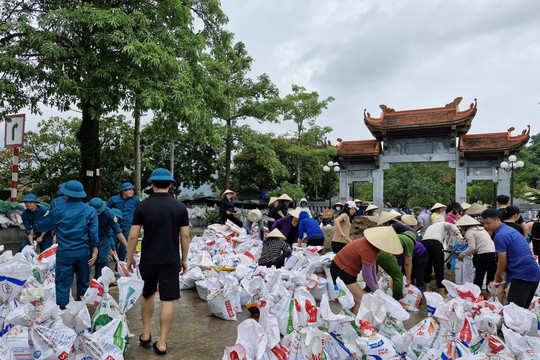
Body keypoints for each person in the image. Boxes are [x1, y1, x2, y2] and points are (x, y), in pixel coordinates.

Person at [126, 168, 190, 355]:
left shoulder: (142, 206)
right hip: (170, 260)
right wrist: (183, 259)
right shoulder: (180, 207)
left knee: (147, 294)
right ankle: (161, 342)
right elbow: (185, 235)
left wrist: (129, 257)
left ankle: (146, 334)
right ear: (170, 185)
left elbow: (133, 236)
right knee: (167, 299)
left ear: (152, 184)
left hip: (149, 259)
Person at [35, 180, 98, 309]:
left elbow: (42, 226)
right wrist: (95, 250)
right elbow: (93, 234)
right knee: (84, 284)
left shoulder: (58, 210)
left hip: (65, 253)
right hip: (84, 253)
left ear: (66, 195)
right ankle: (82, 312)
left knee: (63, 286)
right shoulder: (90, 211)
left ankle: (63, 317)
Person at [330, 226, 403, 314]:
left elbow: (372, 266)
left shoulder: (372, 247)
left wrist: (376, 284)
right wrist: (375, 290)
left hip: (347, 270)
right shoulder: (368, 249)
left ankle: (347, 321)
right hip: (341, 269)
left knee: (354, 300)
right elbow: (367, 275)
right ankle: (354, 325)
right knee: (361, 300)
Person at [481, 209, 540, 308]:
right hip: (531, 273)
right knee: (521, 312)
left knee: (514, 313)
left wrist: (497, 277)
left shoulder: (500, 235)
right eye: (484, 223)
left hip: (523, 275)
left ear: (498, 220)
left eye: (488, 223)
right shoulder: (508, 230)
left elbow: (502, 262)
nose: (486, 226)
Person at [422, 215, 463, 296]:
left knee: (427, 266)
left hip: (424, 244)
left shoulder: (430, 226)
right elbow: (452, 225)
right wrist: (459, 234)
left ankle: (426, 288)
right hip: (436, 244)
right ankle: (441, 292)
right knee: (439, 268)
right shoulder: (443, 223)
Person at [89, 198, 127, 279]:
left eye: (99, 212)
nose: (97, 213)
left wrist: (127, 245)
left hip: (103, 237)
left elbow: (117, 232)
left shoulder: (109, 214)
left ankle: (102, 280)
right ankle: (97, 278)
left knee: (102, 258)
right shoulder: (86, 211)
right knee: (90, 259)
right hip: (89, 235)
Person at [456, 215, 496, 293]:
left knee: (479, 276)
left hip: (483, 254)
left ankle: (476, 294)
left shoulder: (469, 232)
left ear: (464, 226)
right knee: (490, 275)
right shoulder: (481, 229)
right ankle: (490, 294)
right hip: (492, 252)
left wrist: (462, 255)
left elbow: (472, 247)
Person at [376, 230, 415, 300]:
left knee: (374, 275)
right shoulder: (409, 241)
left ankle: (370, 293)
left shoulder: (398, 237)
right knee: (398, 277)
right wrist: (408, 279)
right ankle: (397, 300)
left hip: (375, 251)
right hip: (384, 253)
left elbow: (392, 257)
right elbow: (408, 263)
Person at [107, 182, 140, 261]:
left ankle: (120, 265)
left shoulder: (136, 200)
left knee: (123, 247)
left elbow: (141, 210)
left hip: (128, 227)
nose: (131, 191)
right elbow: (106, 209)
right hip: (115, 226)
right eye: (129, 190)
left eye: (132, 190)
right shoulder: (114, 199)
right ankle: (116, 262)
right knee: (112, 245)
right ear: (123, 191)